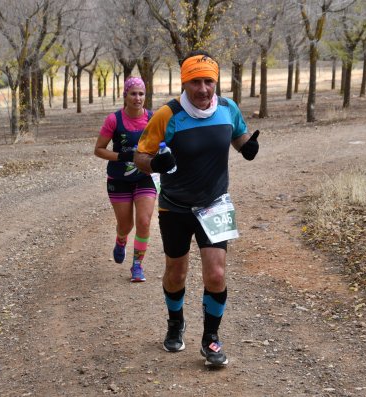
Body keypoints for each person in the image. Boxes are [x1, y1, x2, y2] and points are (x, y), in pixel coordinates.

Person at [134, 51, 260, 367]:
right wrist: (154, 163)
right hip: (174, 206)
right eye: (195, 82)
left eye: (208, 81)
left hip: (216, 203)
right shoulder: (167, 115)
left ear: (216, 81)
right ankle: (175, 323)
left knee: (216, 273)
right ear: (184, 82)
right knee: (176, 272)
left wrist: (247, 146)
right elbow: (140, 157)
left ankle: (211, 339)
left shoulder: (228, 108)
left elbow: (238, 135)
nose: (203, 89)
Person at [94, 76, 156, 282]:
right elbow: (99, 150)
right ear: (125, 96)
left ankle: (137, 265)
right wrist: (123, 156)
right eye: (133, 94)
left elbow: (163, 145)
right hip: (118, 179)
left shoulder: (152, 118)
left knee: (144, 221)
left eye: (141, 94)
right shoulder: (114, 120)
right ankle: (121, 240)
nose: (137, 98)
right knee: (126, 225)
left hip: (144, 177)